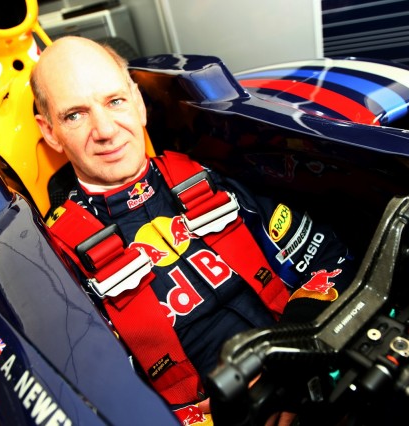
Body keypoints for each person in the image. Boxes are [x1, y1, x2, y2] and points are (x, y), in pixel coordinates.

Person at [31, 36, 356, 424]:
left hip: (317, 372)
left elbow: (332, 260)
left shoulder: (207, 175)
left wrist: (292, 354)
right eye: (75, 115)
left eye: (115, 101)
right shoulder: (56, 260)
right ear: (49, 132)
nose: (105, 130)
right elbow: (91, 402)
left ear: (138, 102)